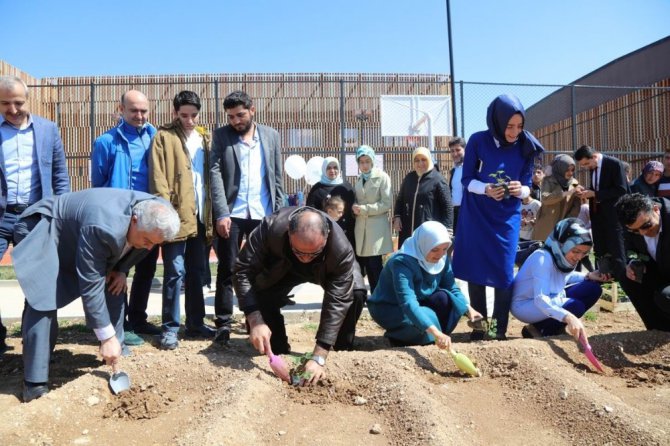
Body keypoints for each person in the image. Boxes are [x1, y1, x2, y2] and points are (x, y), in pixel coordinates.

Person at [15, 189, 180, 402]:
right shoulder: (103, 226)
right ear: (134, 220)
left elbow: (141, 244)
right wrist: (106, 336)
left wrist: (121, 269)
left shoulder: (157, 213)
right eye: (147, 240)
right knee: (44, 299)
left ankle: (115, 351)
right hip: (45, 229)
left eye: (154, 244)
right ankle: (34, 382)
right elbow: (90, 284)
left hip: (80, 233)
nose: (148, 248)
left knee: (114, 284)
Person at [233, 206, 367, 384]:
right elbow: (242, 271)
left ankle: (340, 349)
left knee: (355, 292)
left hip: (325, 269)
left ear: (326, 237)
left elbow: (338, 299)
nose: (305, 258)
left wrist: (319, 355)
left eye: (313, 253)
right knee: (261, 294)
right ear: (289, 233)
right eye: (299, 252)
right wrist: (255, 319)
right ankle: (277, 346)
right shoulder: (270, 228)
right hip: (281, 269)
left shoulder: (340, 248)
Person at [451, 94, 544, 341]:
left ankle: (498, 330)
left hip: (506, 215)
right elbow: (467, 180)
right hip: (477, 212)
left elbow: (527, 186)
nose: (515, 132)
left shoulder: (526, 145)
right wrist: (486, 189)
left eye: (520, 126)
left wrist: (520, 190)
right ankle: (481, 330)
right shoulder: (478, 140)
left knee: (504, 271)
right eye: (509, 126)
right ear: (497, 122)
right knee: (477, 269)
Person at [0, 75, 70, 355]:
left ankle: (37, 346)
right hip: (1, 217)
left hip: (35, 216)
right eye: (5, 103)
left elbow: (60, 175)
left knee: (39, 282)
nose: (13, 109)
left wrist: (60, 212)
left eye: (18, 102)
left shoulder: (48, 130)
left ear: (29, 100)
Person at [210, 90, 284, 344]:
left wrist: (279, 215)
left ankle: (258, 319)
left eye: (240, 115)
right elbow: (215, 175)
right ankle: (222, 323)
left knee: (261, 269)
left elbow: (276, 178)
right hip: (234, 213)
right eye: (230, 117)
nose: (235, 121)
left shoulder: (272, 136)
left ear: (252, 110)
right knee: (228, 268)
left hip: (263, 215)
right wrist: (221, 212)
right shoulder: (221, 136)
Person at [91, 89, 161, 345]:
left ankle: (138, 319)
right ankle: (117, 326)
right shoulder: (105, 142)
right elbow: (98, 184)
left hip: (149, 218)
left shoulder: (156, 138)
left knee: (146, 268)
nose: (140, 116)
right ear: (120, 109)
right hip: (118, 219)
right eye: (134, 110)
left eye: (144, 110)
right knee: (116, 271)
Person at [149, 91, 215, 350]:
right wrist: (166, 212)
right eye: (183, 115)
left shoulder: (205, 138)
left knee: (198, 272)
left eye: (193, 115)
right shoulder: (163, 137)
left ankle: (196, 323)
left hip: (201, 215)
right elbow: (158, 178)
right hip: (175, 216)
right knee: (175, 272)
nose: (189, 120)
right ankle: (170, 328)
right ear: (174, 112)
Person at [368, 221, 481, 348]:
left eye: (445, 249)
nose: (440, 254)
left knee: (445, 299)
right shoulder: (402, 262)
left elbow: (452, 287)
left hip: (419, 300)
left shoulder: (442, 258)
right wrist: (435, 332)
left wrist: (469, 310)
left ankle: (429, 336)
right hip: (391, 306)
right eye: (435, 249)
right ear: (424, 245)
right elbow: (408, 302)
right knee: (429, 318)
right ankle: (401, 336)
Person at [512, 218, 608, 339]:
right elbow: (541, 299)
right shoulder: (542, 258)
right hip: (525, 305)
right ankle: (544, 330)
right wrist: (568, 316)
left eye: (583, 253)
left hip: (551, 296)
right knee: (575, 306)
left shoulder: (561, 256)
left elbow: (564, 277)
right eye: (576, 251)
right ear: (562, 244)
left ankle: (539, 327)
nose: (579, 257)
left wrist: (588, 276)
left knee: (593, 288)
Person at [615, 194, 670, 331]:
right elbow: (629, 248)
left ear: (656, 209)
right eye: (635, 230)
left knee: (666, 296)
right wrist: (633, 261)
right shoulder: (633, 225)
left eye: (646, 225)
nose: (643, 232)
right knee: (628, 277)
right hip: (660, 269)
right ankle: (657, 330)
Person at [574, 145, 629, 280]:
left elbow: (621, 189)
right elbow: (598, 188)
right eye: (583, 165)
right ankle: (603, 276)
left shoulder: (614, 164)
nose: (586, 167)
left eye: (587, 163)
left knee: (616, 248)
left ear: (594, 156)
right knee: (600, 248)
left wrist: (596, 193)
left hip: (613, 215)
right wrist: (587, 191)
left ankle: (622, 280)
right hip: (597, 215)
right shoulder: (593, 167)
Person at [393, 146, 453, 249]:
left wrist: (447, 230)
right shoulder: (409, 178)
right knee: (408, 260)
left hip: (428, 230)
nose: (420, 163)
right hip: (407, 230)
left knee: (426, 259)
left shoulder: (438, 179)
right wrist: (397, 216)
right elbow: (400, 199)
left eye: (423, 159)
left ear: (429, 160)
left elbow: (447, 206)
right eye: (417, 160)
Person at [352, 145, 393, 293]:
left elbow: (387, 203)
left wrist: (364, 209)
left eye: (367, 161)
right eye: (361, 162)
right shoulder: (358, 180)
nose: (364, 165)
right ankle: (369, 296)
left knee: (375, 265)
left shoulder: (382, 177)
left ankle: (379, 297)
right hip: (361, 228)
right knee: (365, 265)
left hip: (376, 229)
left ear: (373, 161)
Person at [305, 156, 356, 247]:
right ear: (324, 169)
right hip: (325, 234)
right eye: (329, 168)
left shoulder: (346, 186)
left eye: (335, 167)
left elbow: (352, 210)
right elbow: (310, 211)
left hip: (346, 235)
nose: (332, 170)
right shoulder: (317, 189)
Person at [532, 154, 581, 241]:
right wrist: (565, 192)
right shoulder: (548, 180)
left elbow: (576, 206)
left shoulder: (574, 183)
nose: (570, 173)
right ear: (560, 168)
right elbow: (546, 199)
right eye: (567, 170)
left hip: (564, 224)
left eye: (572, 170)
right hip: (546, 224)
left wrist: (567, 221)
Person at [448, 137, 466, 234]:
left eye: (458, 150)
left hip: (468, 211)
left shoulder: (471, 168)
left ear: (465, 149)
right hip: (455, 212)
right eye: (452, 151)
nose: (455, 153)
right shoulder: (454, 170)